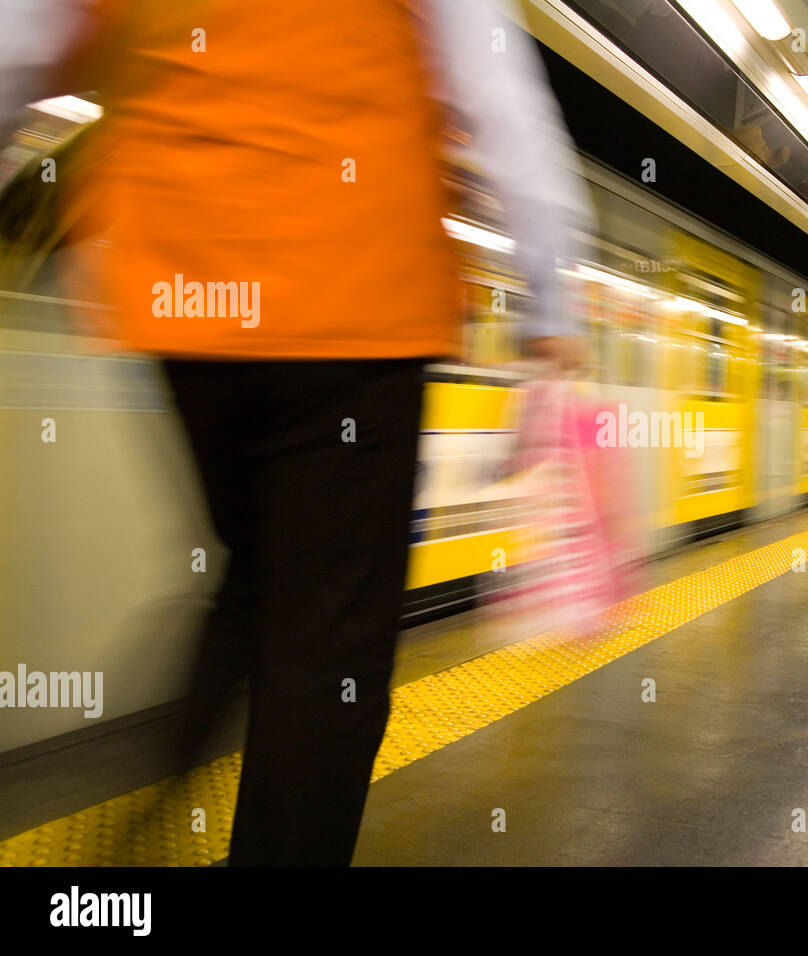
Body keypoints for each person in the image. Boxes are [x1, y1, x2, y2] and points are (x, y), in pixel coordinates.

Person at [2, 0, 592, 865]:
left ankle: (143, 800)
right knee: (330, 651)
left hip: (184, 304)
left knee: (252, 574)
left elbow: (20, 45)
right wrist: (552, 298)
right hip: (354, 306)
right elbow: (495, 89)